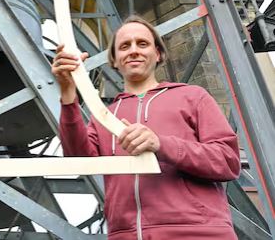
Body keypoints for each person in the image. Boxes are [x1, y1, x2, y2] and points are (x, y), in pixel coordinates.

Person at [52, 15, 240, 239]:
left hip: (196, 232)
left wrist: (161, 145)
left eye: (142, 44)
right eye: (124, 46)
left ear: (158, 53)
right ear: (114, 59)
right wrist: (68, 93)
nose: (133, 51)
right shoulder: (104, 116)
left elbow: (228, 161)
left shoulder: (192, 96)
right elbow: (78, 160)